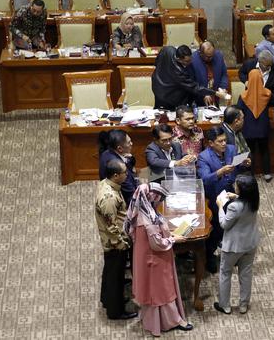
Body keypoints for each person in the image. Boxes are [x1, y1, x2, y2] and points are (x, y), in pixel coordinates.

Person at [124, 183, 193, 336]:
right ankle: (173, 320)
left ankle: (152, 319)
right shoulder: (148, 221)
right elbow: (157, 244)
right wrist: (173, 240)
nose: (160, 201)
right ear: (151, 197)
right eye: (159, 198)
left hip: (144, 258)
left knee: (151, 290)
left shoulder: (140, 210)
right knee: (163, 290)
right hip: (155, 260)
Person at [197, 126, 251, 273]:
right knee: (216, 227)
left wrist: (243, 164)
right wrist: (219, 172)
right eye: (220, 141)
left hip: (229, 191)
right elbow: (204, 179)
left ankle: (232, 253)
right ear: (210, 143)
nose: (223, 144)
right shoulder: (203, 157)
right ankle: (210, 256)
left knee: (234, 224)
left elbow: (237, 167)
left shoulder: (232, 149)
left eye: (225, 140)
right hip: (213, 194)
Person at [213, 174, 261, 315]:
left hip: (233, 246)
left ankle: (225, 305)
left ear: (242, 190)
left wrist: (221, 207)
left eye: (236, 186)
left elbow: (224, 224)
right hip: (250, 243)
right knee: (246, 274)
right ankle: (243, 305)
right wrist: (237, 196)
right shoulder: (254, 200)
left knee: (225, 273)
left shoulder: (234, 207)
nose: (234, 186)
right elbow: (243, 206)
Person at [95, 159, 136, 320]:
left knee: (110, 272)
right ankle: (115, 310)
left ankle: (107, 299)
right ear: (115, 175)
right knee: (115, 276)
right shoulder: (109, 198)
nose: (128, 174)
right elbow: (111, 227)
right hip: (115, 243)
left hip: (115, 240)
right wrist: (122, 244)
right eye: (125, 172)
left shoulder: (107, 184)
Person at [152, 45, 226, 110]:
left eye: (191, 59)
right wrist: (215, 93)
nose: (190, 63)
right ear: (178, 59)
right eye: (187, 61)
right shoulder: (179, 72)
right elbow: (195, 87)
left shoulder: (168, 49)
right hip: (166, 94)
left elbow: (156, 63)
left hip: (157, 83)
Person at [237, 69, 274, 182]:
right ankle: (267, 173)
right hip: (263, 128)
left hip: (248, 128)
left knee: (250, 151)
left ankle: (250, 173)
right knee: (265, 150)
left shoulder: (243, 95)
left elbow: (238, 109)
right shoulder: (267, 93)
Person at [98, 129, 137, 205]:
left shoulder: (106, 153)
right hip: (122, 202)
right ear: (119, 148)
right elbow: (130, 193)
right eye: (129, 142)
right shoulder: (118, 166)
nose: (132, 144)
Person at [187, 40, 229, 105]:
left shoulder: (219, 56)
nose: (211, 58)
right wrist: (203, 94)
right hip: (199, 99)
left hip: (216, 97)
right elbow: (192, 82)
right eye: (208, 57)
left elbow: (224, 74)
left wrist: (223, 87)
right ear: (200, 53)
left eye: (212, 56)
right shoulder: (193, 60)